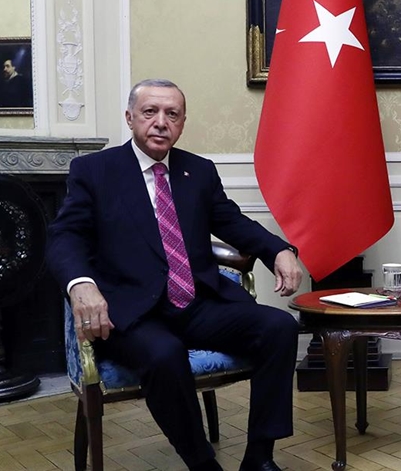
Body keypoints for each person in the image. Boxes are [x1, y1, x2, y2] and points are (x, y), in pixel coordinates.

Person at [47, 78, 303, 471]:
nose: (161, 122)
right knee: (164, 354)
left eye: (172, 114)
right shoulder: (95, 170)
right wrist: (81, 284)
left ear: (182, 123)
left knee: (279, 327)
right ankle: (203, 464)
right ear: (130, 117)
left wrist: (279, 250)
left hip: (196, 303)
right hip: (132, 312)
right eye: (150, 112)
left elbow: (232, 222)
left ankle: (259, 457)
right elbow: (65, 236)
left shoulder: (198, 171)